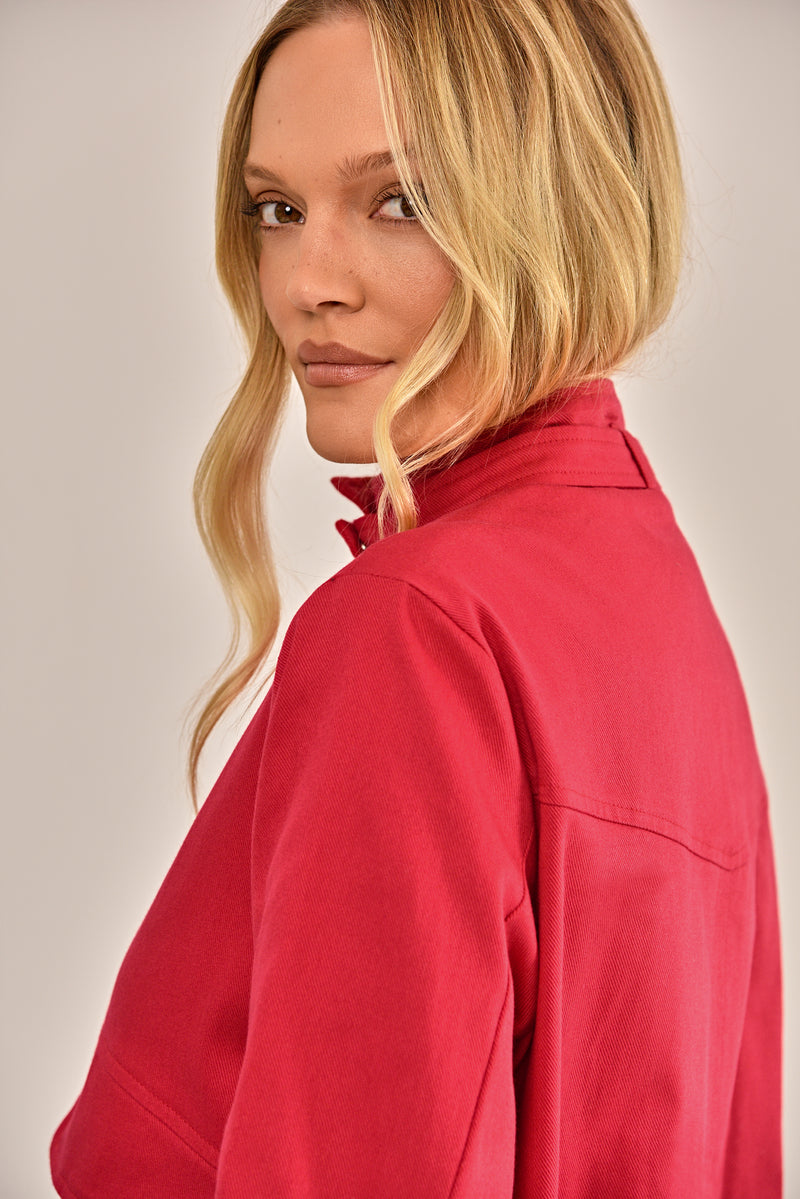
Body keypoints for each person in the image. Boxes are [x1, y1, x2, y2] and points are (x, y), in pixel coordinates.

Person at [49, 0, 782, 1195]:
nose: (306, 283)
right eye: (275, 210)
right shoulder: (653, 594)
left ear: (557, 205)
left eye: (399, 201)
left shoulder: (414, 628)